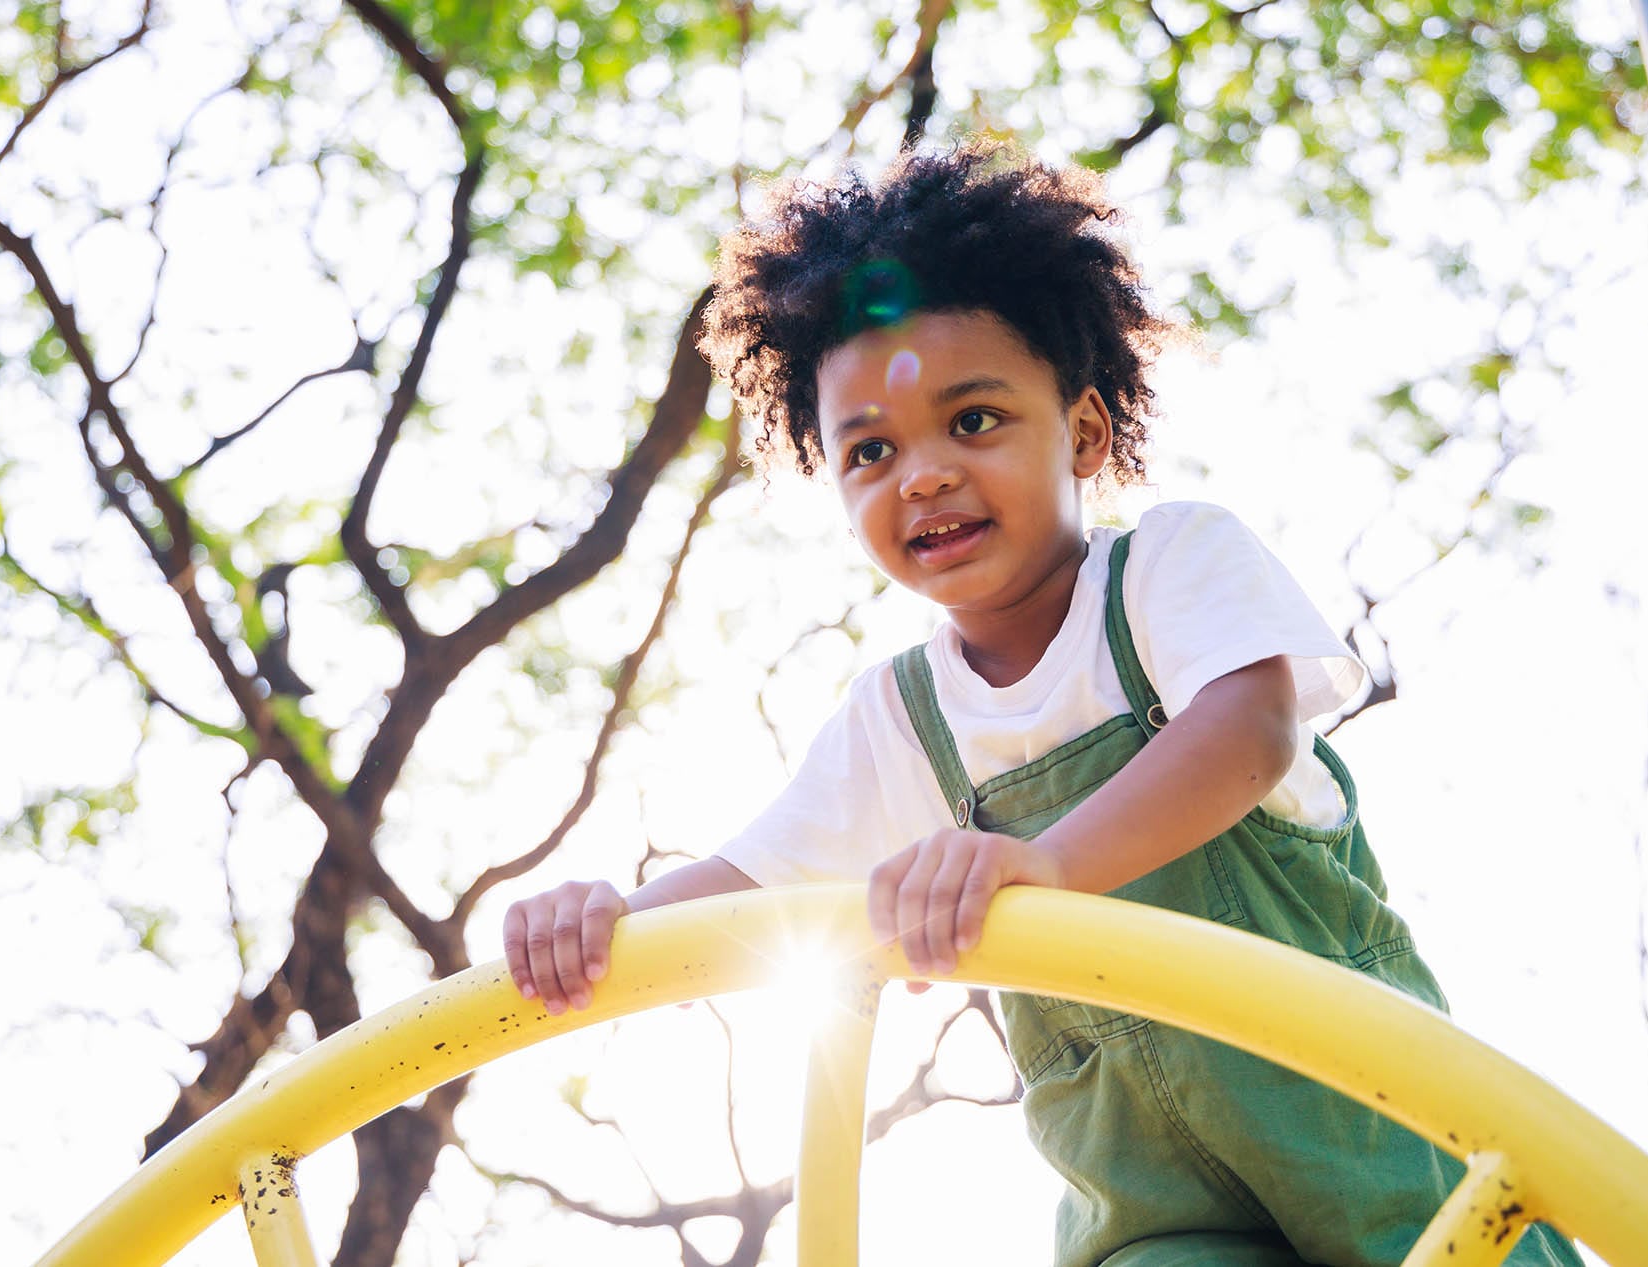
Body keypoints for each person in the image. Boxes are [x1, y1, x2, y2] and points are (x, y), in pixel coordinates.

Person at [500, 144, 1581, 1267]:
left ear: (1081, 434)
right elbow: (750, 882)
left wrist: (1048, 867)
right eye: (870, 450)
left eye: (972, 421)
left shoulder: (1164, 571)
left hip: (1374, 1127)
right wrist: (609, 920)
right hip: (1158, 1211)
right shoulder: (901, 720)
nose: (920, 474)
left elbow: (1246, 732)